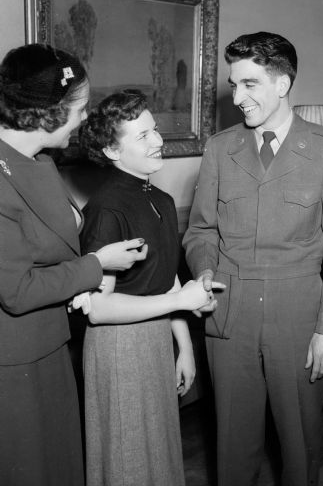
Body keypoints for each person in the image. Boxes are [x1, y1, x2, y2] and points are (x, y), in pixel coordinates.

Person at [183, 31, 323, 486]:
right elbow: (200, 229)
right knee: (232, 446)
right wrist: (204, 271)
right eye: (234, 85)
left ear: (282, 84)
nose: (237, 97)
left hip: (297, 316)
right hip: (229, 312)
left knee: (299, 445)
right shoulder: (222, 148)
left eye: (249, 84)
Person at [0, 44, 147, 486]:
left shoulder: (41, 161)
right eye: (80, 109)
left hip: (50, 345)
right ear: (48, 113)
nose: (85, 119)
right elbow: (17, 290)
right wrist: (95, 265)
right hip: (14, 363)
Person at [78, 89, 222, 486]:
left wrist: (185, 347)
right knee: (128, 461)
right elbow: (99, 308)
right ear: (111, 150)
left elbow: (165, 273)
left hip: (156, 338)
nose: (158, 141)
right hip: (118, 346)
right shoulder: (107, 208)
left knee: (156, 455)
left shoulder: (158, 195)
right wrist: (178, 301)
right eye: (142, 136)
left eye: (155, 130)